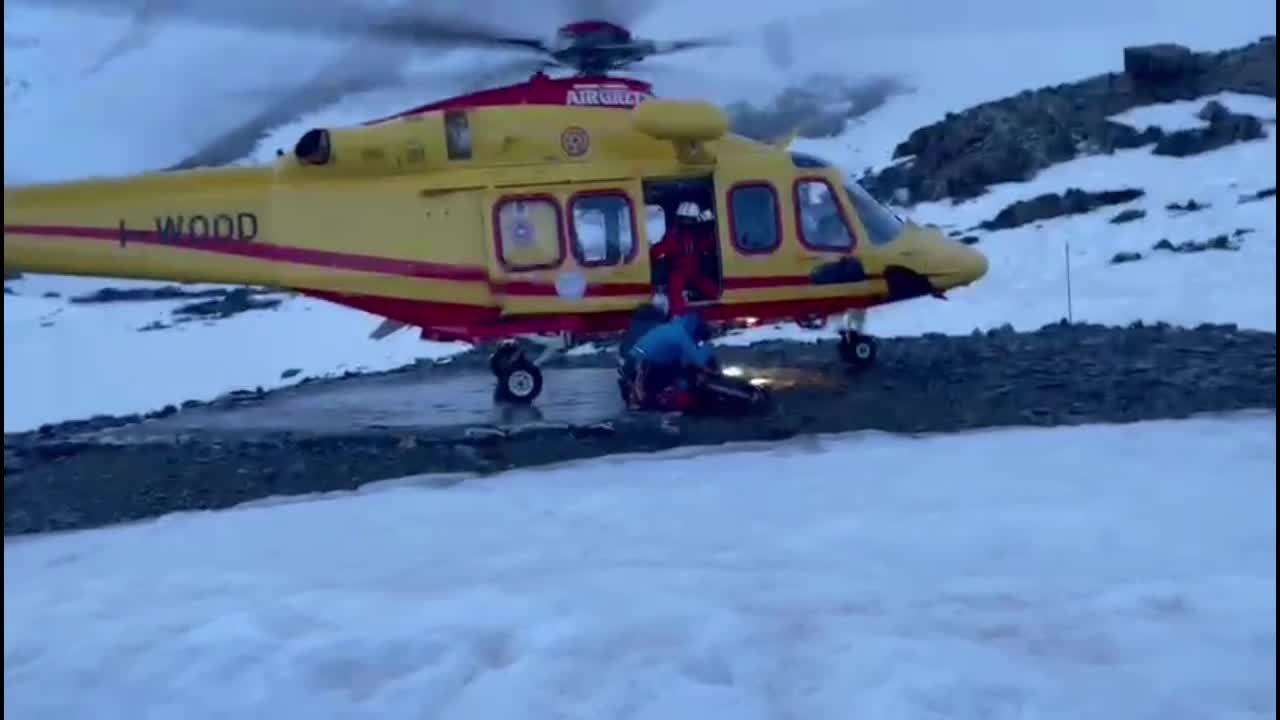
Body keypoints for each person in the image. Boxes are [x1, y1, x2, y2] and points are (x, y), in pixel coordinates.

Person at [624, 312, 719, 411]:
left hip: (633, 361)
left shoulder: (670, 327)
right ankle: (657, 400)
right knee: (682, 378)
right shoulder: (682, 335)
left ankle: (643, 397)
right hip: (644, 366)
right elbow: (698, 360)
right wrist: (709, 345)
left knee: (680, 367)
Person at [650, 201, 718, 314]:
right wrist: (649, 257)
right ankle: (677, 316)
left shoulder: (698, 235)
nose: (686, 223)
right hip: (678, 273)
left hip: (697, 273)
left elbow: (709, 246)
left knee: (714, 290)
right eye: (684, 219)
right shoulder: (674, 236)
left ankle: (721, 311)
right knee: (675, 290)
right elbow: (660, 250)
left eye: (689, 219)